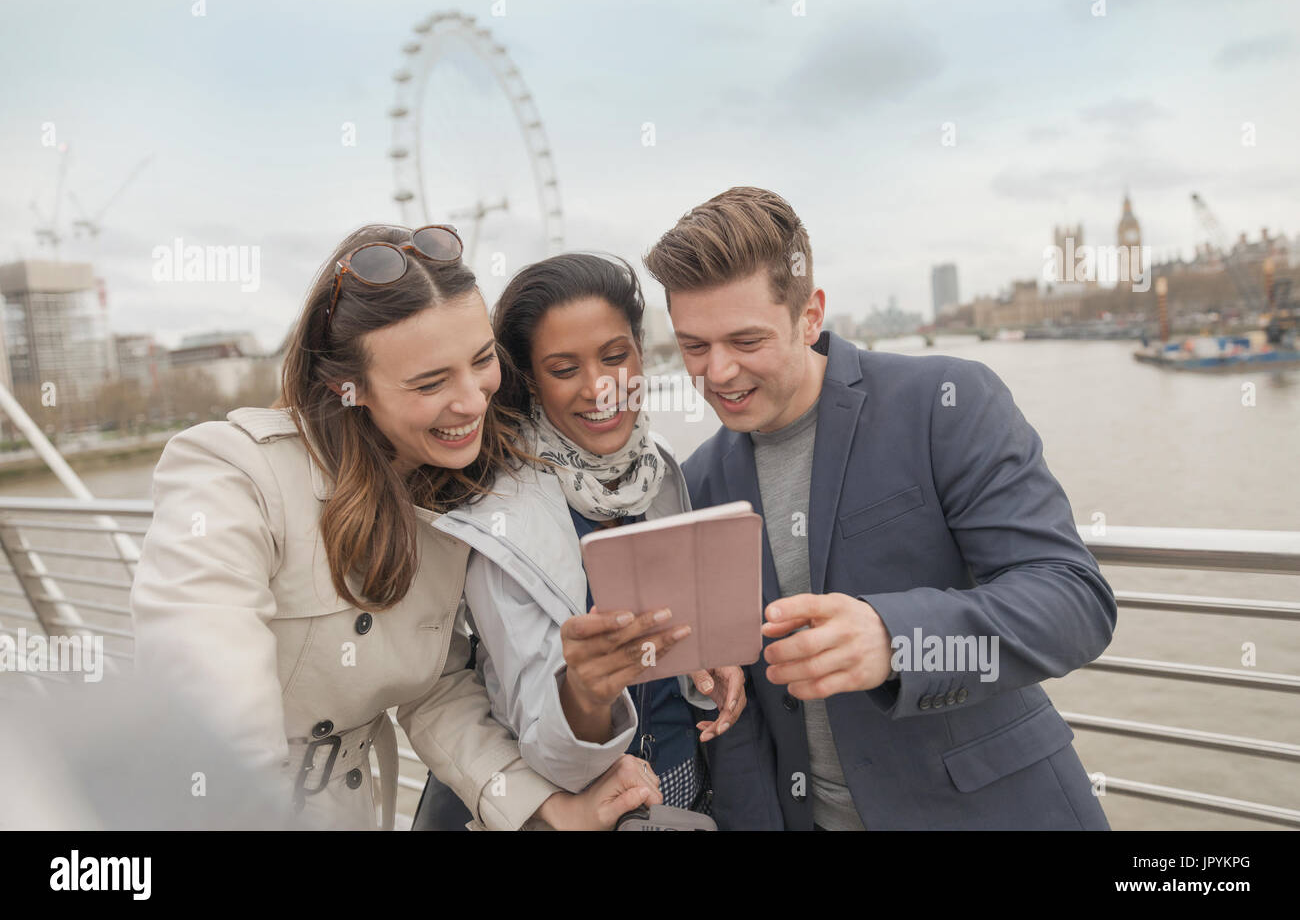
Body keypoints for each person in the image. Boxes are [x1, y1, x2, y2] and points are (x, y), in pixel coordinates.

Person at [129, 224, 661, 830]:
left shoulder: (453, 495)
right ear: (345, 387)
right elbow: (212, 735)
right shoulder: (233, 476)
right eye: (430, 383)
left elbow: (435, 688)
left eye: (482, 361)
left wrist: (544, 810)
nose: (473, 400)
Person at [642, 187, 1116, 830]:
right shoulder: (695, 483)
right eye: (694, 346)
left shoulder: (947, 402)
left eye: (745, 340)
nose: (718, 372)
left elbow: (1074, 603)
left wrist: (898, 641)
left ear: (810, 316)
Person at [414, 254, 745, 827]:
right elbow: (550, 751)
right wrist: (587, 696)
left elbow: (666, 654)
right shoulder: (498, 522)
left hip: (688, 806)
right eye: (564, 369)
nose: (601, 387)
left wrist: (707, 656)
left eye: (616, 357)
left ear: (641, 352)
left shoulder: (659, 472)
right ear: (530, 383)